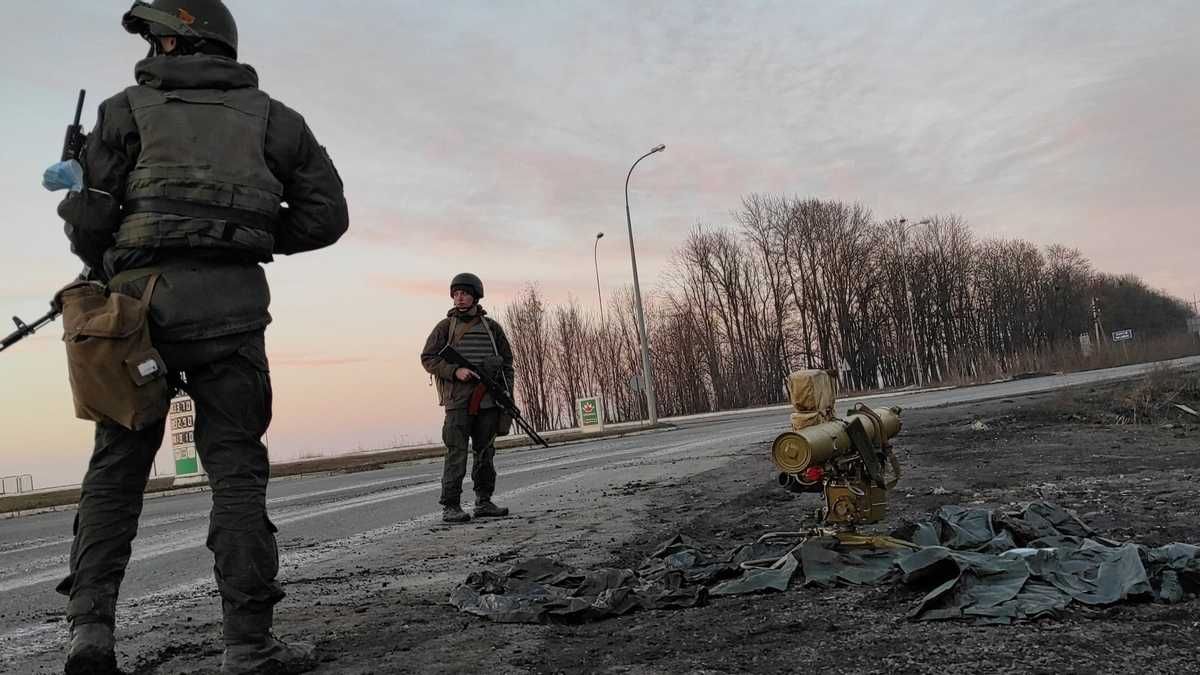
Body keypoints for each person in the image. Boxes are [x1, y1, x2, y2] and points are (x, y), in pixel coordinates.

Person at [49, 1, 348, 673]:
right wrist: (245, 235)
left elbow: (90, 223)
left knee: (116, 470)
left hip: (135, 318)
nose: (151, 50)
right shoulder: (276, 119)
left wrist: (109, 227)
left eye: (157, 39)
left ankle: (89, 633)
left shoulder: (122, 111)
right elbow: (327, 216)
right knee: (236, 473)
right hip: (233, 315)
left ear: (181, 42)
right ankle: (248, 644)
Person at [420, 273, 516, 524]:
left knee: (485, 453)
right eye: (456, 294)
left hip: (487, 402)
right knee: (456, 453)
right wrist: (455, 371)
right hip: (458, 402)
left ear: (475, 295)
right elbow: (428, 358)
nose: (459, 298)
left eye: (464, 293)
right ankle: (450, 506)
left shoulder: (491, 328)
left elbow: (507, 363)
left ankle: (484, 501)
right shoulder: (444, 328)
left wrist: (507, 395)